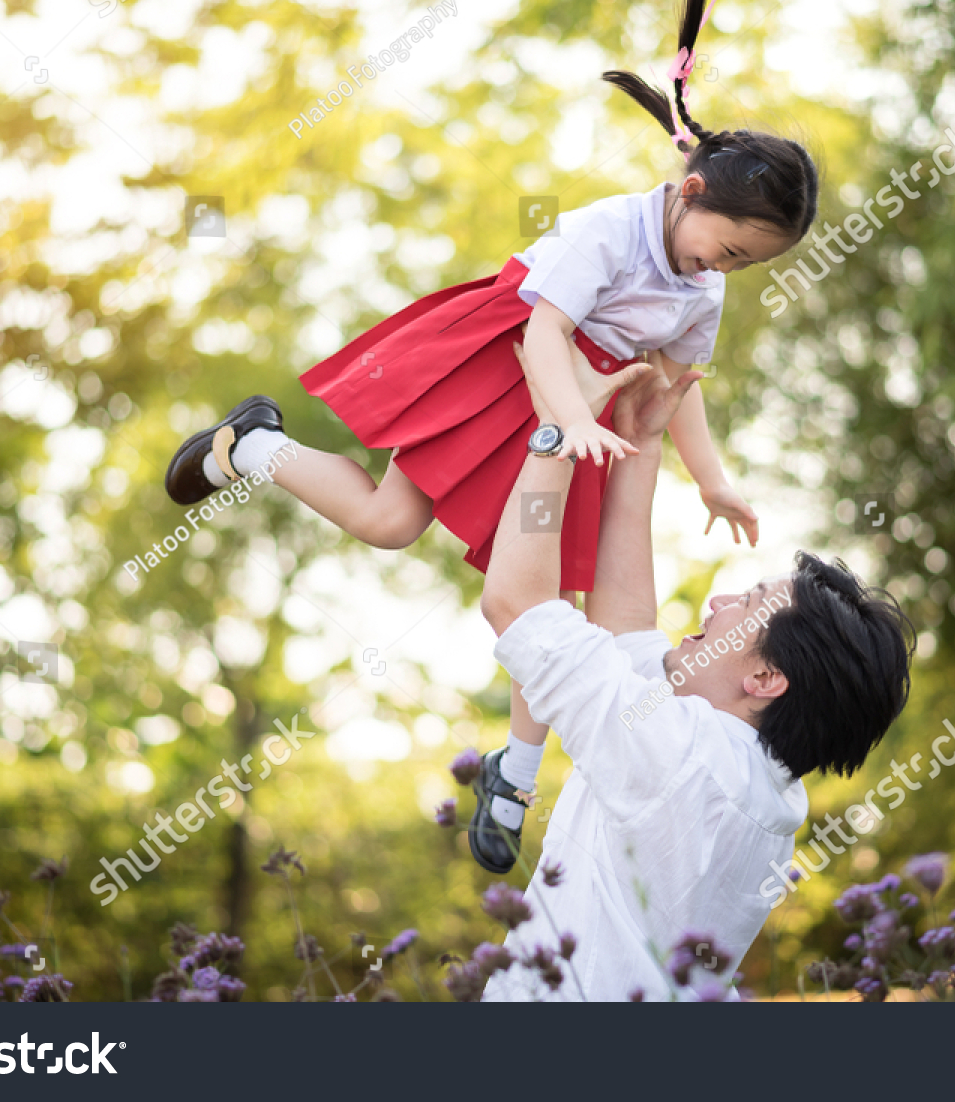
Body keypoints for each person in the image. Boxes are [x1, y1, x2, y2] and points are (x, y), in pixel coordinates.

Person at [162, 0, 820, 870]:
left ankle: (514, 771)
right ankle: (251, 446)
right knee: (390, 525)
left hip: (584, 418)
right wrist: (572, 418)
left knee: (557, 599)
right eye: (728, 251)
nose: (724, 271)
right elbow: (542, 331)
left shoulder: (701, 292)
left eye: (744, 265)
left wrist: (712, 479)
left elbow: (676, 385)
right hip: (513, 381)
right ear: (691, 192)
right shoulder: (608, 231)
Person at [475, 363, 915, 1000]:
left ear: (766, 676)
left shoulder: (679, 754)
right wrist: (642, 443)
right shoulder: (755, 779)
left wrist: (556, 430)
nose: (719, 604)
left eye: (750, 602)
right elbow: (624, 624)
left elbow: (516, 603)